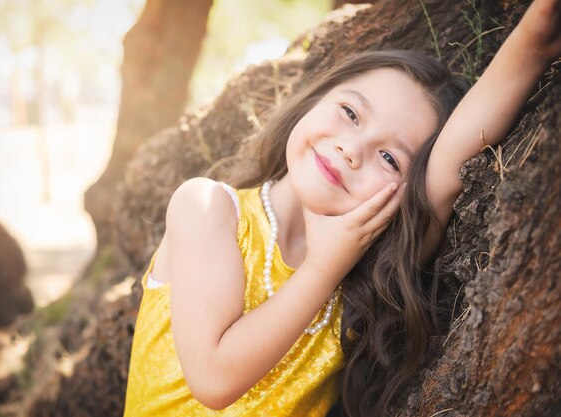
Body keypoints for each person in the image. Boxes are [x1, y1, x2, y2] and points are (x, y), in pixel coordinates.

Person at [122, 1, 560, 416]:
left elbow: (450, 162)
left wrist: (535, 41)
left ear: (401, 192)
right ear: (316, 99)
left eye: (390, 158)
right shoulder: (206, 208)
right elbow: (213, 379)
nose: (352, 149)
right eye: (351, 112)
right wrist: (321, 269)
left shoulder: (371, 271)